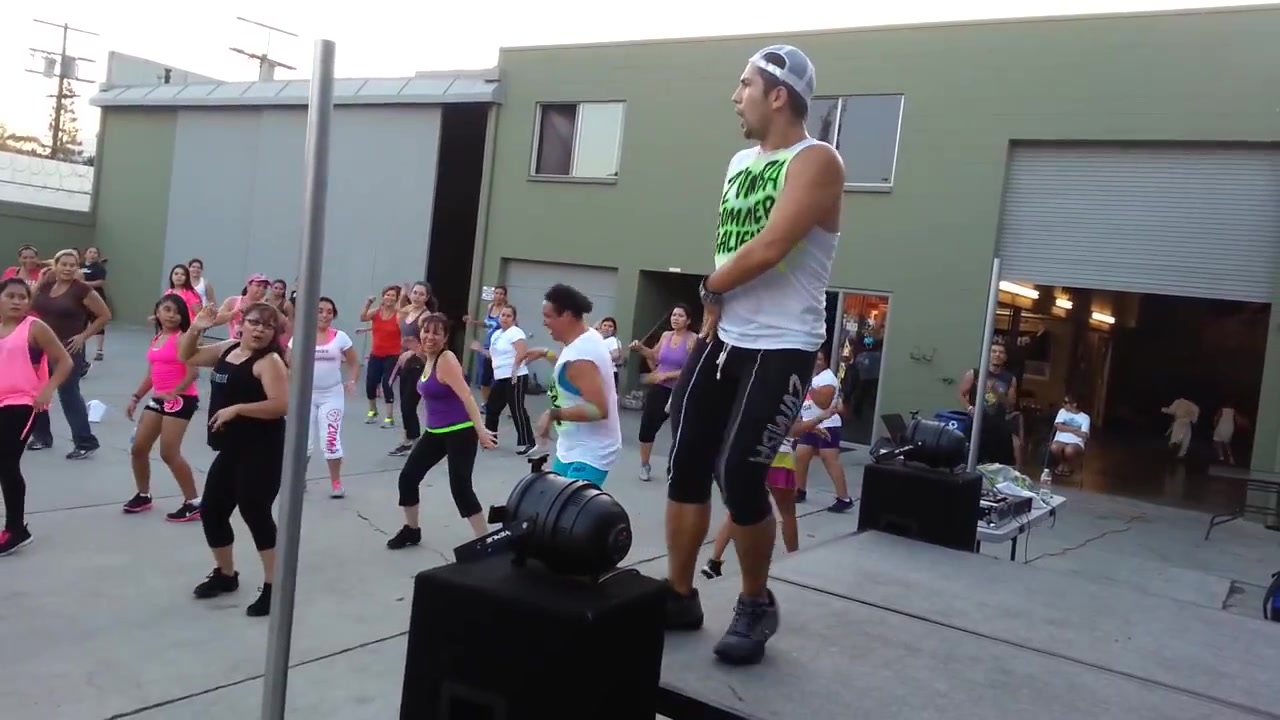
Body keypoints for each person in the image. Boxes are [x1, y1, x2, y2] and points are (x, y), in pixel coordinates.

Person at [663, 45, 843, 666]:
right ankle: (678, 595)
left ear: (778, 95)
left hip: (783, 343)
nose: (735, 96)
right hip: (725, 337)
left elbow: (769, 248)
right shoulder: (741, 161)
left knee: (739, 472)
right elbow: (732, 244)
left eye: (745, 85)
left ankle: (755, 601)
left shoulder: (817, 160)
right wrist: (714, 305)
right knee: (685, 460)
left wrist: (709, 287)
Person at [179, 302, 289, 617]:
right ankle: (226, 574)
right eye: (255, 323)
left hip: (262, 449)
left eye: (268, 326)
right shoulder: (227, 349)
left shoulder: (269, 362)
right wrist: (196, 327)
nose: (260, 330)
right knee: (212, 510)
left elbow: (281, 405)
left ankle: (275, 586)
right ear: (242, 323)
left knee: (255, 512)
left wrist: (238, 409)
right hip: (232, 448)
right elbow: (187, 355)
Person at [387, 314, 498, 549]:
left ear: (445, 338)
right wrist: (409, 353)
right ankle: (411, 530)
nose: (430, 337)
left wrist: (480, 429)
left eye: (437, 333)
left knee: (460, 486)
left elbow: (466, 395)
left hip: (460, 431)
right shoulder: (427, 358)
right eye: (426, 331)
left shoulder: (446, 359)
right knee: (408, 478)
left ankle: (485, 541)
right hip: (435, 432)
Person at [702, 407, 837, 579]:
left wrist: (809, 426)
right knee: (787, 513)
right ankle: (794, 558)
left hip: (750, 454)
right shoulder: (790, 394)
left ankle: (714, 561)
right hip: (778, 457)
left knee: (737, 511)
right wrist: (818, 419)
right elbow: (791, 430)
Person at [0, 278, 73, 555]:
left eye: (22, 297)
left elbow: (64, 361)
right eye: (10, 296)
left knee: (7, 463)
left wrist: (47, 389)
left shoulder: (34, 328)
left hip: (24, 403)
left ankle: (16, 529)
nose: (17, 301)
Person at [528, 284, 621, 486]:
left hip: (590, 452)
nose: (544, 322)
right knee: (553, 500)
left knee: (569, 505)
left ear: (567, 315)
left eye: (548, 316)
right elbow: (569, 375)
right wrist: (546, 353)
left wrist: (552, 414)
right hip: (570, 447)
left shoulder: (582, 356)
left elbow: (598, 409)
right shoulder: (584, 338)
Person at [123, 294, 203, 521]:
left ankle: (194, 503)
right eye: (167, 310)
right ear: (157, 312)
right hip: (159, 398)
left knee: (168, 452)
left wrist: (174, 392)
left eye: (177, 312)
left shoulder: (182, 339)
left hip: (181, 399)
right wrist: (136, 397)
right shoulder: (157, 338)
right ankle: (143, 495)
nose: (171, 315)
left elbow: (193, 373)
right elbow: (151, 374)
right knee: (139, 448)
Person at [28, 249, 112, 458]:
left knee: (68, 393)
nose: (67, 268)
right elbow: (29, 305)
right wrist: (40, 281)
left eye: (72, 265)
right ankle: (41, 436)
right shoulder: (46, 286)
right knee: (37, 390)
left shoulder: (81, 290)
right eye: (63, 264)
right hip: (41, 347)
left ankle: (85, 441)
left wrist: (83, 336)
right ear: (55, 265)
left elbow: (104, 315)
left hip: (68, 348)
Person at [288, 296, 360, 498]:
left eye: (329, 312)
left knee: (330, 441)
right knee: (304, 442)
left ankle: (336, 483)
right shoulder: (301, 336)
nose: (324, 315)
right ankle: (299, 478)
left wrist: (352, 381)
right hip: (306, 396)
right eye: (320, 311)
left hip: (331, 395)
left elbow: (354, 363)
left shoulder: (341, 337)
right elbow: (289, 363)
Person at [628, 304, 696, 481]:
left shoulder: (693, 339)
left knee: (680, 431)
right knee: (647, 427)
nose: (675, 318)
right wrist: (640, 348)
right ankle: (645, 465)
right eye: (673, 315)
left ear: (688, 320)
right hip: (659, 389)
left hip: (680, 390)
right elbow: (656, 356)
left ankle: (677, 469)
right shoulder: (666, 335)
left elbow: (693, 368)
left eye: (680, 316)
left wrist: (667, 375)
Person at [792, 349, 853, 512]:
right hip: (809, 424)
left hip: (828, 424)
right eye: (814, 359)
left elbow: (823, 403)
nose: (816, 362)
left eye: (819, 359)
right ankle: (800, 490)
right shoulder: (813, 377)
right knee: (801, 456)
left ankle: (844, 498)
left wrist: (808, 385)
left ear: (825, 361)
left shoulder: (827, 378)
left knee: (829, 459)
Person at [473, 305, 536, 454]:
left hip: (515, 376)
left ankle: (528, 442)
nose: (505, 318)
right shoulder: (497, 334)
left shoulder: (515, 332)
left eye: (508, 316)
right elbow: (493, 356)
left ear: (514, 319)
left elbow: (522, 352)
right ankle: (491, 440)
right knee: (492, 407)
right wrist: (479, 349)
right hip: (501, 377)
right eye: (502, 315)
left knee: (517, 409)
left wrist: (514, 368)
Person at [390, 282, 435, 454]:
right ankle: (407, 441)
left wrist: (412, 352)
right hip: (405, 362)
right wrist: (402, 295)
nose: (417, 297)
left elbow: (429, 342)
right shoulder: (408, 309)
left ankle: (416, 443)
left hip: (419, 362)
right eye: (415, 293)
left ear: (427, 297)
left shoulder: (425, 317)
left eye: (421, 294)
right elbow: (397, 311)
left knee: (409, 405)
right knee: (404, 404)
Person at [958, 340, 1018, 466]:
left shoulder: (1010, 378)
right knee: (968, 457)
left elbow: (1011, 404)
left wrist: (998, 393)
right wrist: (969, 408)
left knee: (998, 462)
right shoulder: (975, 373)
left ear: (1005, 357)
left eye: (1001, 352)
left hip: (997, 425)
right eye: (994, 351)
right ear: (988, 354)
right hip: (976, 423)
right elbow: (961, 394)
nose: (997, 354)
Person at [359, 286, 403, 428]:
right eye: (387, 295)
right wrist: (368, 303)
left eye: (393, 296)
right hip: (376, 354)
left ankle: (389, 417)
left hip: (393, 355)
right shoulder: (376, 312)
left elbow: (403, 329)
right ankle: (373, 411)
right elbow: (363, 318)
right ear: (383, 297)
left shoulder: (398, 315)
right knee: (371, 383)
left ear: (397, 299)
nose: (389, 298)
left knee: (386, 384)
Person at [463, 285, 507, 407]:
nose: (498, 296)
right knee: (484, 379)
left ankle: (496, 403)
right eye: (496, 293)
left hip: (499, 348)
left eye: (501, 294)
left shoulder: (506, 311)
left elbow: (512, 327)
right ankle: (486, 403)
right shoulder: (490, 307)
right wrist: (473, 322)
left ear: (505, 296)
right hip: (487, 346)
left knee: (497, 378)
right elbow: (487, 324)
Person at [212, 273, 270, 340]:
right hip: (235, 342)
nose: (261, 289)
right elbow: (215, 321)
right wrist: (235, 312)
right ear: (248, 286)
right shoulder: (233, 301)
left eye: (265, 287)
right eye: (258, 285)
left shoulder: (266, 307)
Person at [1048, 393, 1091, 476]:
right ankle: (1062, 463)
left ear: (1074, 404)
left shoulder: (1085, 418)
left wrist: (1065, 427)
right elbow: (1058, 426)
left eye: (1065, 402)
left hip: (1076, 442)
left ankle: (1067, 465)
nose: (1063, 404)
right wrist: (1075, 429)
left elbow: (1084, 435)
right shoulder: (1062, 411)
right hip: (1060, 439)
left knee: (1069, 450)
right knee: (1054, 447)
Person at [80, 247, 109, 362]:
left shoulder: (99, 268)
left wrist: (84, 284)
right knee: (81, 325)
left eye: (95, 253)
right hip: (81, 300)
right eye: (90, 252)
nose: (93, 254)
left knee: (98, 324)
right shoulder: (79, 266)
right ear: (85, 254)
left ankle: (99, 351)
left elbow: (100, 282)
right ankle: (80, 349)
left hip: (96, 299)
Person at [596, 316, 625, 386]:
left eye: (610, 326)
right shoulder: (598, 340)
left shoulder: (613, 340)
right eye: (605, 325)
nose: (607, 328)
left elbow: (616, 355)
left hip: (609, 373)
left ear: (614, 330)